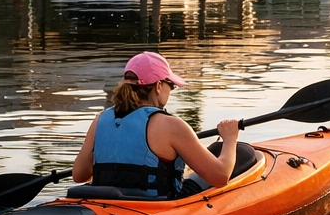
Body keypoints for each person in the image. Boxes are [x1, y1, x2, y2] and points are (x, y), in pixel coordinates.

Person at [72, 52, 244, 199]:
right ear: (158, 86)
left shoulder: (100, 119)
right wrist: (230, 138)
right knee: (246, 155)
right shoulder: (170, 125)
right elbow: (221, 176)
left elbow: (79, 175)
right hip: (157, 207)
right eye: (171, 86)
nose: (171, 90)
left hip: (108, 202)